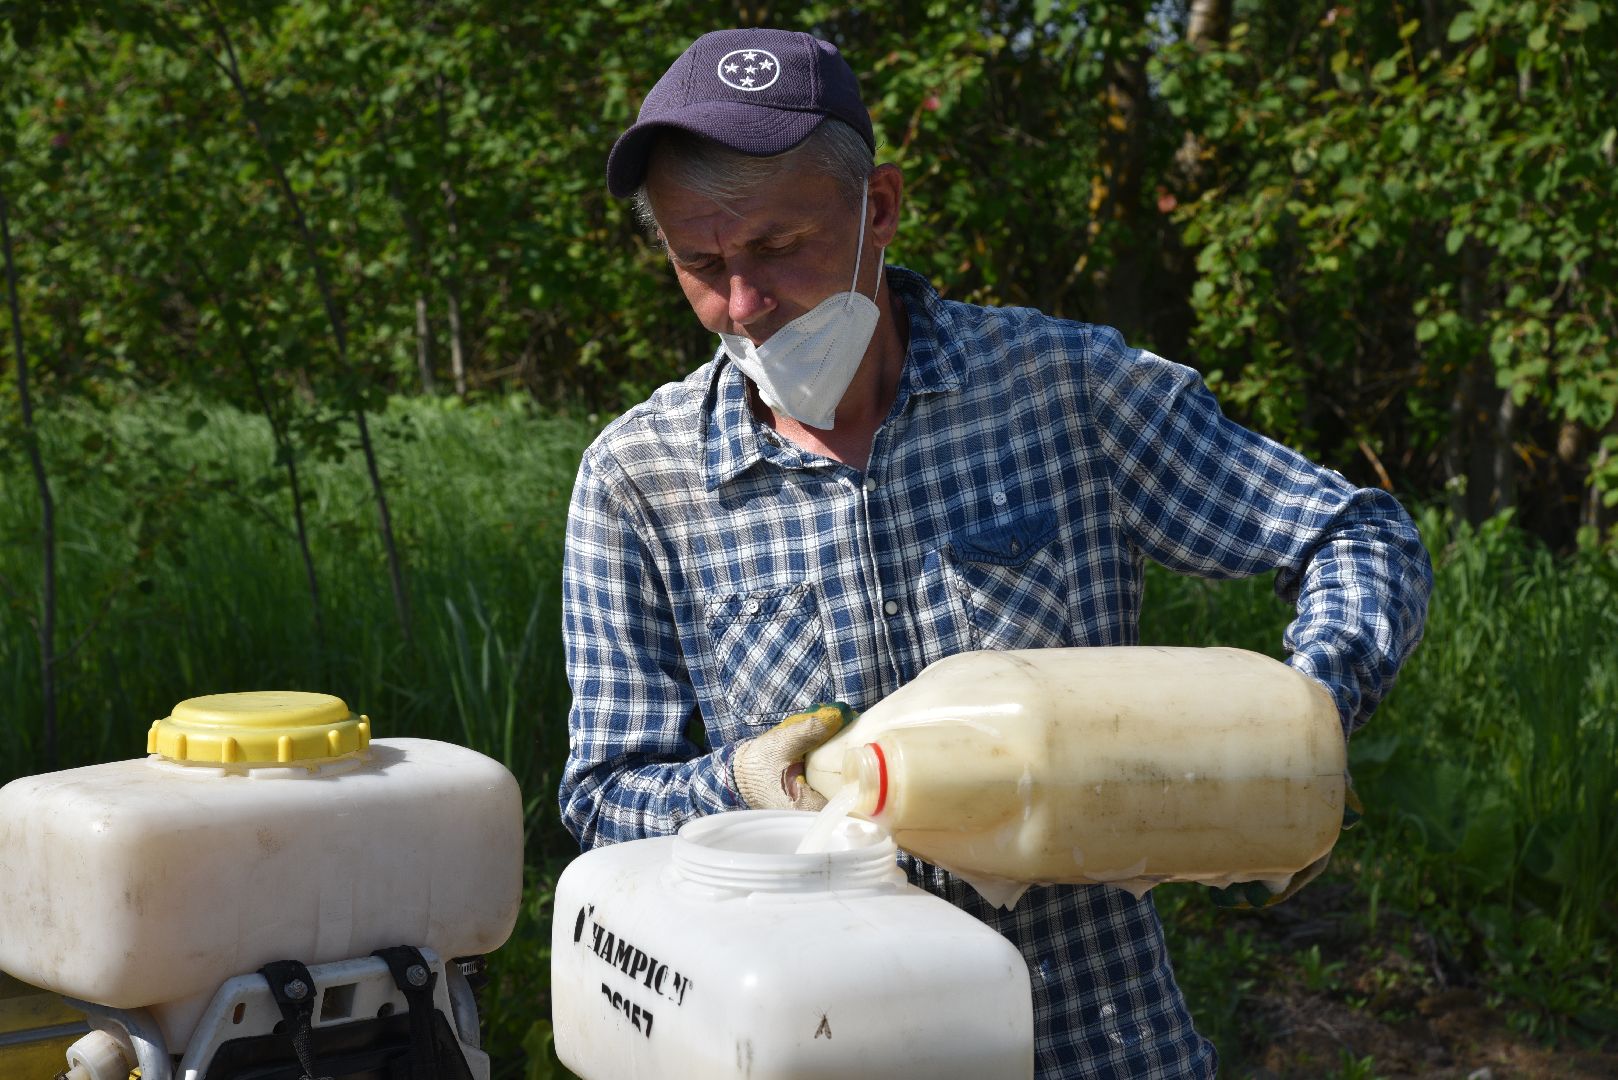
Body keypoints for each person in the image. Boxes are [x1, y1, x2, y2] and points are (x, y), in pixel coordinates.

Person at [560, 26, 1432, 1078]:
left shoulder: (1066, 393)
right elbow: (606, 798)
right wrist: (740, 784)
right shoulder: (638, 480)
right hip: (819, 1046)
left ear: (878, 207)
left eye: (777, 248)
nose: (741, 306)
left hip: (1095, 1040)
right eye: (700, 264)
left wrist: (1302, 723)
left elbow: (1355, 532)